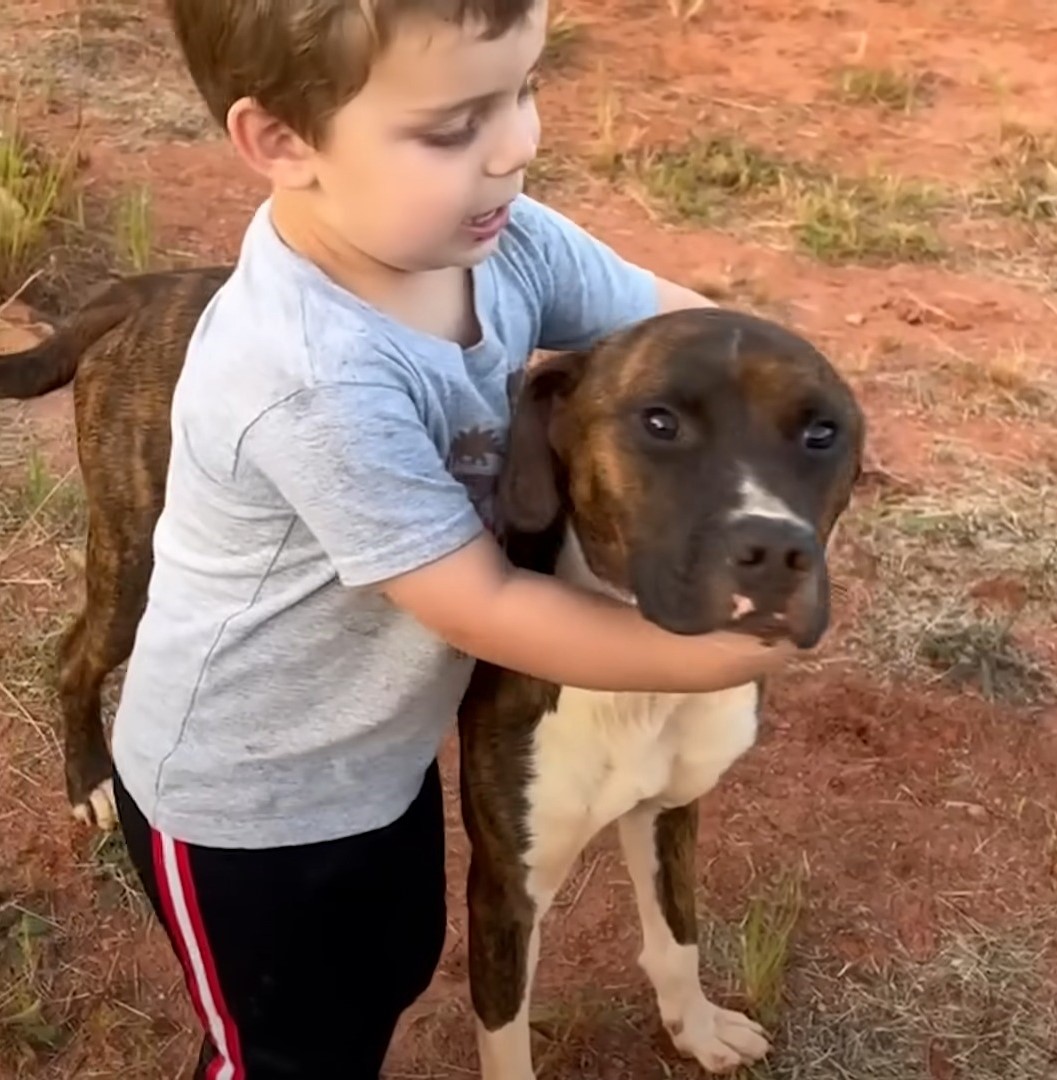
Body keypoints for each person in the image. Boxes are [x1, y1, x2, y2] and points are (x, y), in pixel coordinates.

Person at [110, 1, 809, 1076]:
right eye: (452, 126)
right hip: (243, 803)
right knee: (283, 1049)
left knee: (390, 967)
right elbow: (482, 603)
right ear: (282, 144)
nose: (519, 144)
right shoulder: (306, 373)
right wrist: (717, 653)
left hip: (381, 759)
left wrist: (775, 443)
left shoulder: (502, 238)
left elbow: (691, 338)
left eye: (523, 91)